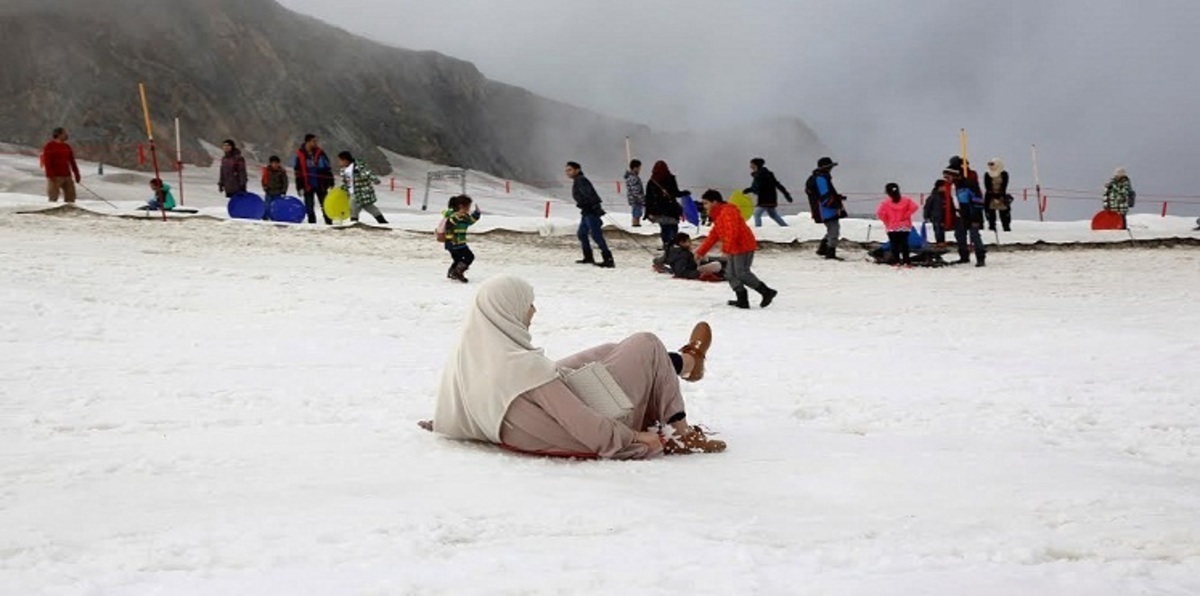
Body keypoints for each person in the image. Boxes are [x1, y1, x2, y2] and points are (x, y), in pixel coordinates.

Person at [423, 276, 726, 458]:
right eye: (527, 303)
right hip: (575, 426)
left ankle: (686, 362)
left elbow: (454, 414)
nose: (534, 310)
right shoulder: (526, 370)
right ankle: (680, 426)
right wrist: (635, 438)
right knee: (646, 343)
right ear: (508, 310)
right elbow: (588, 429)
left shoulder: (476, 357)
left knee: (608, 351)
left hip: (532, 417)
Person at [695, 190, 777, 309]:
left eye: (706, 203)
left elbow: (732, 231)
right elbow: (714, 236)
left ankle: (766, 292)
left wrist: (726, 248)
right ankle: (742, 299)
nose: (704, 206)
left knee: (741, 273)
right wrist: (700, 252)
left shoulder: (728, 211)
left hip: (743, 246)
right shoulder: (718, 215)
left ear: (715, 202)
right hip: (733, 247)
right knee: (730, 274)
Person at [566, 161, 614, 268]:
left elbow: (589, 194)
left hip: (591, 211)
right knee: (582, 234)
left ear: (577, 170)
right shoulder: (578, 180)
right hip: (586, 211)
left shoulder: (581, 180)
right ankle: (588, 256)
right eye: (566, 170)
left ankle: (608, 258)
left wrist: (595, 206)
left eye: (569, 170)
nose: (567, 172)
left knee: (596, 234)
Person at [805, 157, 847, 260]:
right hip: (826, 209)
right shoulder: (821, 178)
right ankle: (830, 252)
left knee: (831, 229)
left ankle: (822, 249)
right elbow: (825, 196)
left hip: (823, 208)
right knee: (834, 230)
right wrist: (835, 204)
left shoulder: (819, 177)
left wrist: (837, 198)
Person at [946, 167, 987, 266]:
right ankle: (964, 256)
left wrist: (975, 217)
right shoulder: (953, 187)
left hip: (972, 215)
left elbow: (978, 201)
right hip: (960, 215)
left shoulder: (970, 184)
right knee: (959, 235)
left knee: (974, 236)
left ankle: (980, 258)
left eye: (948, 176)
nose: (946, 179)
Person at [336, 151, 389, 224]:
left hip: (362, 192)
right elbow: (348, 182)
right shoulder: (343, 170)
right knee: (358, 209)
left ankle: (355, 224)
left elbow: (367, 173)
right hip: (353, 193)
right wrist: (343, 188)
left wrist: (374, 179)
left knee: (365, 208)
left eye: (339, 160)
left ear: (345, 160)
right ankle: (382, 222)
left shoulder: (358, 166)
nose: (338, 162)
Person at [644, 160, 687, 251]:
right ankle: (673, 245)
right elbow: (675, 193)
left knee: (664, 228)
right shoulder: (670, 178)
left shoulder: (652, 182)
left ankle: (666, 245)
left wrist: (648, 212)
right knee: (673, 228)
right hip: (671, 209)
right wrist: (685, 193)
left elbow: (648, 198)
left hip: (659, 210)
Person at [876, 183, 920, 266]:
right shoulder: (907, 201)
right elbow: (915, 207)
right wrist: (906, 215)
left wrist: (887, 221)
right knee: (904, 244)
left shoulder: (886, 203)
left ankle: (896, 261)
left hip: (892, 226)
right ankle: (907, 262)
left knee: (894, 245)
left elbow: (880, 213)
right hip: (904, 226)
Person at [294, 134, 334, 225]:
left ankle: (329, 223)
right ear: (307, 142)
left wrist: (330, 181)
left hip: (321, 184)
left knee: (325, 205)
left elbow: (327, 167)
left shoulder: (320, 153)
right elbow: (297, 171)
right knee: (309, 207)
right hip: (307, 184)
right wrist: (299, 186)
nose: (315, 143)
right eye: (313, 141)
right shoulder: (299, 154)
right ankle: (312, 224)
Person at [442, 194, 482, 283]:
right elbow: (448, 227)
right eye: (468, 206)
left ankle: (452, 272)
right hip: (454, 243)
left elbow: (470, 221)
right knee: (469, 257)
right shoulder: (455, 216)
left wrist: (477, 213)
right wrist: (451, 239)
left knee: (458, 259)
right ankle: (458, 272)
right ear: (461, 206)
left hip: (459, 243)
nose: (469, 208)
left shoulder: (464, 216)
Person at [745, 157, 794, 227]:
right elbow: (777, 184)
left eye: (752, 164)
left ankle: (759, 230)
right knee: (773, 215)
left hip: (765, 198)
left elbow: (757, 187)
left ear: (756, 165)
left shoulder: (761, 174)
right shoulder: (765, 174)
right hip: (770, 198)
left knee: (757, 214)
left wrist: (749, 190)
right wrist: (787, 195)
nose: (750, 166)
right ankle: (785, 227)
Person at [41, 127, 81, 204]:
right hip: (55, 176)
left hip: (67, 176)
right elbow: (47, 162)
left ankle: (69, 210)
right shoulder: (49, 146)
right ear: (58, 135)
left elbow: (72, 161)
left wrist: (76, 174)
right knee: (53, 197)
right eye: (64, 133)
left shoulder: (67, 147)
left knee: (71, 196)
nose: (66, 135)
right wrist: (50, 175)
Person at [983, 158, 1012, 232]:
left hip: (1001, 196)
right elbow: (987, 186)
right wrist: (993, 195)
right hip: (990, 197)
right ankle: (992, 228)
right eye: (989, 164)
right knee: (991, 213)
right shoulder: (987, 174)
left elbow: (1004, 185)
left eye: (992, 164)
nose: (991, 166)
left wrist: (999, 195)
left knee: (1004, 213)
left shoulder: (1004, 174)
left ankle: (1006, 228)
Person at [261, 155, 289, 220]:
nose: (275, 165)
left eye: (276, 163)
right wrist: (264, 186)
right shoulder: (267, 171)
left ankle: (276, 217)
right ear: (270, 163)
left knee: (277, 206)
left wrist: (283, 191)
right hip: (269, 192)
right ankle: (265, 217)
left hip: (278, 192)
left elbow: (285, 182)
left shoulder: (282, 172)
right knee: (267, 205)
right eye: (273, 163)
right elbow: (264, 180)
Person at [923, 179, 950, 244]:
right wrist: (926, 216)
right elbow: (927, 207)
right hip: (936, 217)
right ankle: (939, 242)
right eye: (944, 186)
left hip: (944, 217)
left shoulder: (946, 196)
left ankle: (942, 242)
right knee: (938, 230)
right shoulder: (933, 196)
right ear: (940, 187)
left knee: (942, 230)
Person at [624, 159, 645, 228]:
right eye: (639, 168)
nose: (640, 170)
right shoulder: (633, 178)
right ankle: (636, 225)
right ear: (635, 168)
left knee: (637, 212)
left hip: (634, 199)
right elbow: (635, 191)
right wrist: (642, 199)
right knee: (636, 213)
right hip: (636, 199)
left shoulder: (632, 177)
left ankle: (636, 224)